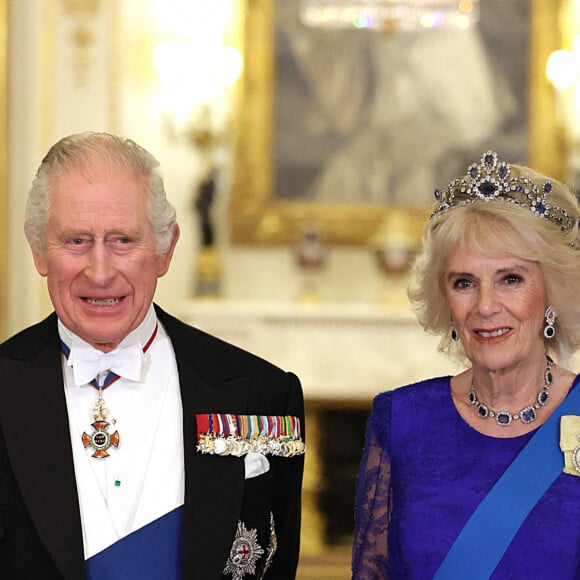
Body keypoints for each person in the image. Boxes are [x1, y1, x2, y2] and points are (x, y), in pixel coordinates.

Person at [0, 132, 305, 580]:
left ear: (165, 249)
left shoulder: (262, 394)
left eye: (123, 240)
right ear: (37, 248)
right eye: (76, 241)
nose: (100, 272)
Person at [352, 150, 580, 579]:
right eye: (464, 283)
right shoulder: (400, 420)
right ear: (445, 298)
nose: (485, 306)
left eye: (511, 279)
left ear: (552, 291)